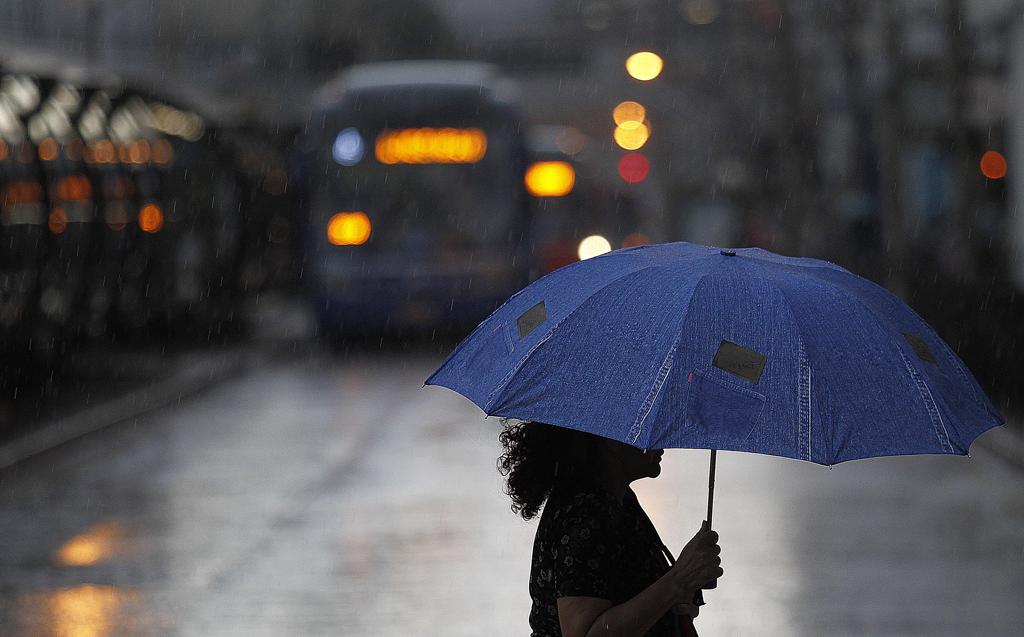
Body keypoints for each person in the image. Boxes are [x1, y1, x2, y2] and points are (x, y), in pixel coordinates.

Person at [498, 421, 723, 637]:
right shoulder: (586, 513)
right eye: (649, 425)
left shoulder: (620, 501)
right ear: (613, 440)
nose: (661, 437)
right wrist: (676, 582)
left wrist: (674, 601)